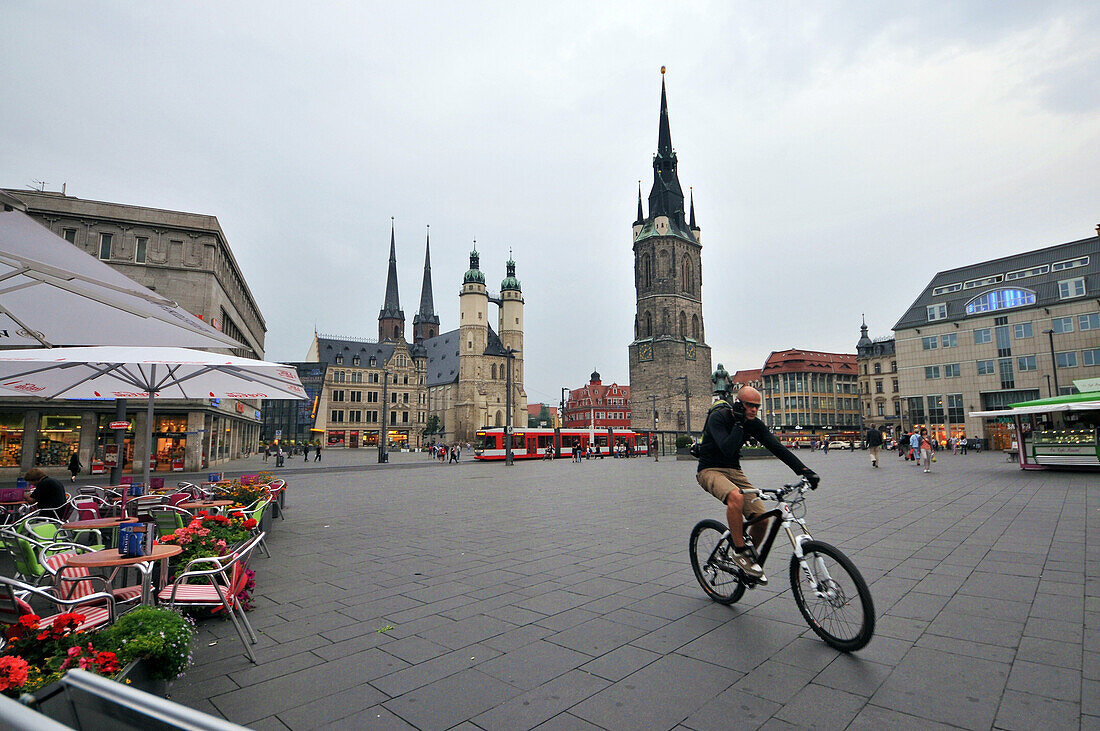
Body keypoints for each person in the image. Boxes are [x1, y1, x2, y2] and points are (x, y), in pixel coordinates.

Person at [695, 384, 819, 581]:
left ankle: (749, 559)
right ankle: (739, 551)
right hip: (709, 470)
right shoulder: (718, 418)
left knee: (762, 518)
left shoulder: (754, 422)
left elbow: (777, 448)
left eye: (756, 406)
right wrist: (739, 423)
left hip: (734, 471)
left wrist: (804, 471)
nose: (753, 410)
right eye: (749, 405)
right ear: (738, 404)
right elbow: (727, 448)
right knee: (735, 496)